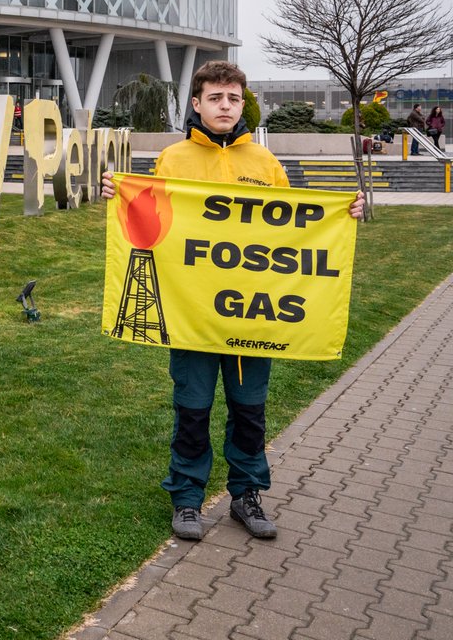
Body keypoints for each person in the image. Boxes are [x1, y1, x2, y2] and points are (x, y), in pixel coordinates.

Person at [101, 60, 364, 543]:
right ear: (197, 104)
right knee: (193, 410)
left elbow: (293, 228)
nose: (225, 106)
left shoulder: (265, 164)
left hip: (251, 316)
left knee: (249, 411)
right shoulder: (174, 159)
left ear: (244, 104)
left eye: (234, 99)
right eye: (216, 98)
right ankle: (186, 498)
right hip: (193, 315)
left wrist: (342, 213)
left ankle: (246, 495)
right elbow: (153, 226)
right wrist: (120, 197)